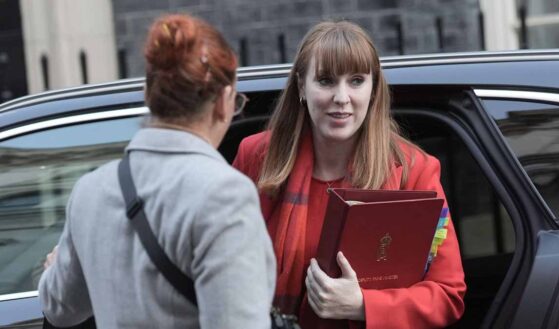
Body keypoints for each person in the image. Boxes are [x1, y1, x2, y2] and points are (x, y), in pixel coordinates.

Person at [39, 14, 276, 329]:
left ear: (148, 93)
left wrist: (53, 271)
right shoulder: (225, 195)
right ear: (222, 102)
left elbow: (60, 309)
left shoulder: (90, 191)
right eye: (236, 102)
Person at [232, 20, 466, 328]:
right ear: (302, 85)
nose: (341, 97)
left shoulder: (413, 170)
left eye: (356, 81)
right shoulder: (257, 157)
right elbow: (225, 266)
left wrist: (362, 305)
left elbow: (447, 294)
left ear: (373, 88)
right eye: (326, 81)